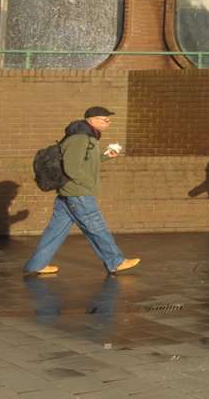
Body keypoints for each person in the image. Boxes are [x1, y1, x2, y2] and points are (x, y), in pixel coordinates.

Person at [23, 106, 140, 276]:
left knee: (55, 230)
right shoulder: (80, 138)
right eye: (105, 119)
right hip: (78, 193)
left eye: (109, 119)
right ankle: (116, 262)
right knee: (96, 227)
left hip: (70, 193)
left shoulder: (86, 137)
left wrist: (106, 156)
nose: (109, 122)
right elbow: (72, 168)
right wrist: (85, 185)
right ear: (91, 120)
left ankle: (36, 264)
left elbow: (84, 162)